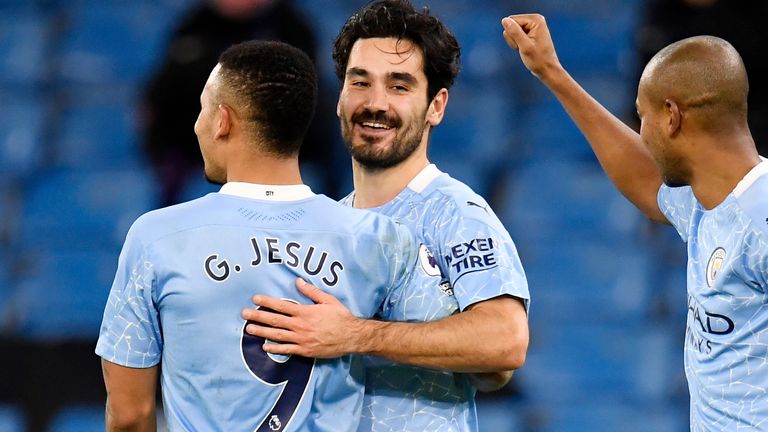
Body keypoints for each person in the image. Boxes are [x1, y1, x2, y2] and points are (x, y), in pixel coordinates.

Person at [95, 40, 454, 431]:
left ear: (222, 121)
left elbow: (130, 415)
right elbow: (482, 359)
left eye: (203, 110)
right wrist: (363, 335)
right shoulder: (378, 239)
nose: (198, 125)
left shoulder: (157, 238)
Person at [241, 2, 531, 431]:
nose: (375, 103)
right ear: (339, 98)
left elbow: (504, 343)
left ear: (436, 106)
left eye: (399, 86)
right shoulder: (324, 223)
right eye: (360, 82)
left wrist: (355, 335)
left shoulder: (455, 213)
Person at [501, 13, 768, 430]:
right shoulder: (707, 201)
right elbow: (645, 181)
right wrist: (552, 72)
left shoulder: (761, 221)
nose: (641, 134)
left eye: (642, 118)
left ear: (672, 117)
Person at [142, 0, 338, 206]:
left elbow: (307, 102)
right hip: (197, 149)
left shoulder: (293, 28)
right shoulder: (191, 27)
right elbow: (157, 99)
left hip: (276, 142)